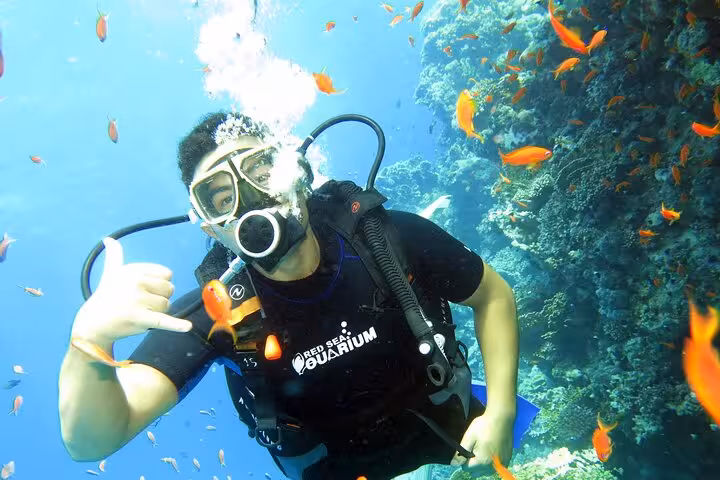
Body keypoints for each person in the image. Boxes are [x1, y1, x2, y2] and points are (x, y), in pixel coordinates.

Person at [58, 112, 522, 480]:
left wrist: (501, 411)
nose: (250, 200)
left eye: (261, 169)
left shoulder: (385, 238)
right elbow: (93, 441)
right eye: (221, 199)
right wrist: (89, 344)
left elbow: (493, 296)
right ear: (211, 228)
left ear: (297, 172)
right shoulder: (219, 312)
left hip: (460, 444)